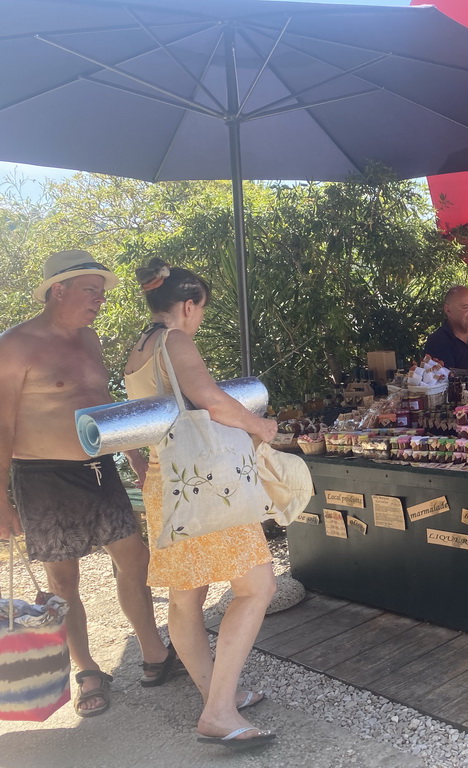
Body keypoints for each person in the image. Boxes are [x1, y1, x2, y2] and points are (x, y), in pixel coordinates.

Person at [0, 250, 174, 718]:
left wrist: (134, 453)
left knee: (134, 557)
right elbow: (1, 425)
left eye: (101, 292)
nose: (100, 300)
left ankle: (154, 651)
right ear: (59, 290)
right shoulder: (14, 345)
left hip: (99, 469)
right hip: (43, 477)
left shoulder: (89, 339)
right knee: (63, 580)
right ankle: (88, 670)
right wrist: (0, 498)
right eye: (91, 291)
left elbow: (101, 402)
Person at [123, 258, 279, 748]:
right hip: (205, 482)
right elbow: (209, 398)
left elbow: (129, 418)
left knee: (186, 597)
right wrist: (260, 426)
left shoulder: (136, 350)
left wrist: (135, 459)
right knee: (258, 588)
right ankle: (217, 711)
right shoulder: (175, 339)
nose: (200, 319)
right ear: (188, 305)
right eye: (201, 310)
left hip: (165, 483)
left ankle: (217, 694)